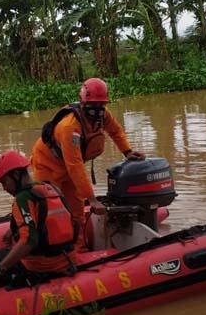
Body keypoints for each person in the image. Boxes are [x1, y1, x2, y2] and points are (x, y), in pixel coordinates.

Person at [31, 78, 144, 251]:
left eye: (101, 105)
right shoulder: (70, 127)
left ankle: (79, 248)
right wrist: (91, 199)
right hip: (47, 165)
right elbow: (75, 165)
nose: (97, 111)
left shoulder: (103, 115)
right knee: (51, 210)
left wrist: (127, 151)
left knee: (77, 211)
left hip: (69, 167)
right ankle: (50, 250)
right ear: (83, 103)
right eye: (93, 106)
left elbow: (115, 131)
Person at [0, 151, 77, 292]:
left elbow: (29, 241)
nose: (4, 188)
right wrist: (12, 230)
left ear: (16, 175)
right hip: (66, 260)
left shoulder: (22, 198)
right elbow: (49, 222)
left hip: (39, 267)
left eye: (5, 182)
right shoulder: (49, 188)